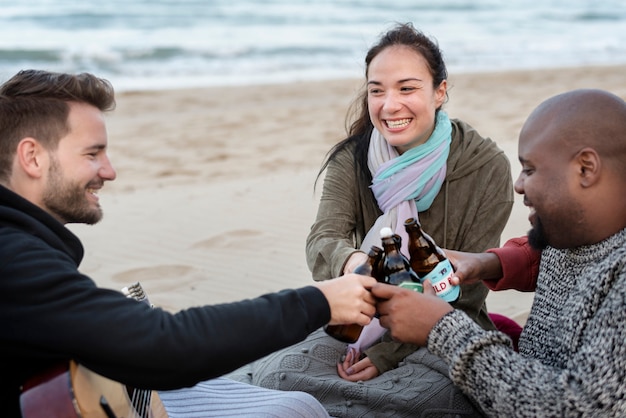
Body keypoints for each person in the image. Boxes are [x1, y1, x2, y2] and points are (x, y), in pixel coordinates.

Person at [0, 69, 379, 418]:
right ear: (32, 157)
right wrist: (320, 302)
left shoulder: (24, 246)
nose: (109, 171)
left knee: (298, 404)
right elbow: (164, 346)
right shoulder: (14, 258)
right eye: (92, 153)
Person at [226, 23, 513, 417]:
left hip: (448, 326)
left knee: (430, 400)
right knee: (278, 377)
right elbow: (323, 240)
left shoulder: (486, 166)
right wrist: (356, 264)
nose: (389, 105)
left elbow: (468, 290)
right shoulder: (354, 157)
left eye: (407, 88)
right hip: (362, 319)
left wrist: (388, 353)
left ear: (440, 91)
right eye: (377, 90)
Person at [372, 88, 626, 417]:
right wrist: (484, 263)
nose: (519, 184)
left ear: (586, 169)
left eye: (530, 169)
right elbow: (548, 258)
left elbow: (578, 408)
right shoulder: (579, 231)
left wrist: (441, 328)